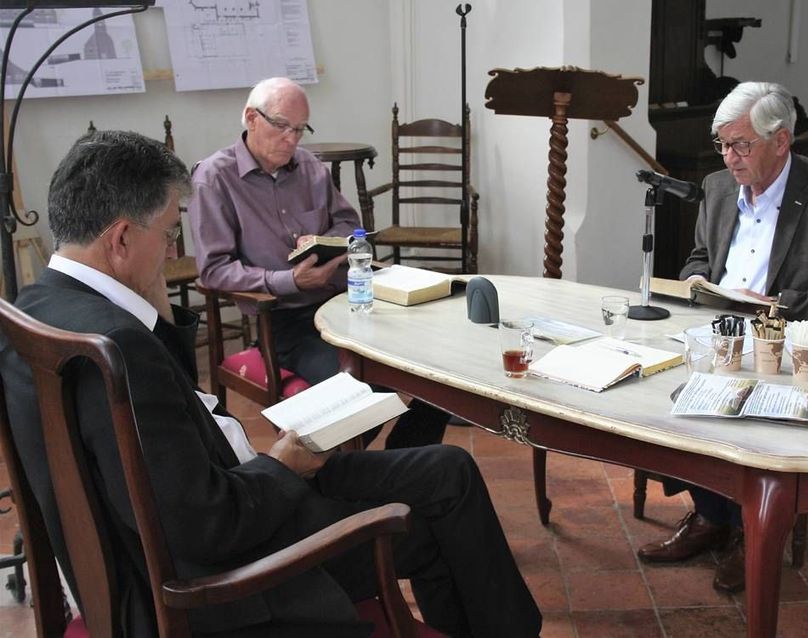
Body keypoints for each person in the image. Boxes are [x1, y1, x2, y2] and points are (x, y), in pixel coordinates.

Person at [0, 130, 542, 637]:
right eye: (168, 232)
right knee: (426, 521)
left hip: (185, 527)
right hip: (219, 578)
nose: (171, 252)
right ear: (120, 238)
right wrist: (281, 464)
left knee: (447, 467)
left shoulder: (34, 309)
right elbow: (207, 526)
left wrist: (158, 312)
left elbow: (163, 450)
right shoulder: (121, 347)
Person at [638, 81, 808, 593]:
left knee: (745, 411)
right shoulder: (717, 186)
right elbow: (701, 259)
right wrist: (694, 281)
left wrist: (776, 305)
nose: (730, 158)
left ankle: (753, 530)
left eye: (742, 145)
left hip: (788, 348)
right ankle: (712, 516)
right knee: (662, 394)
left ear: (781, 141)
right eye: (722, 144)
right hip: (719, 336)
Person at [188, 76, 447, 448]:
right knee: (359, 388)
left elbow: (348, 224)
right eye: (281, 126)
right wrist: (288, 280)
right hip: (282, 322)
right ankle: (339, 471)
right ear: (250, 118)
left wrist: (325, 240)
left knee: (432, 365)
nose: (291, 140)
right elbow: (213, 270)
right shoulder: (215, 178)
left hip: (344, 305)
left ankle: (402, 459)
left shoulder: (308, 166)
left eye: (299, 129)